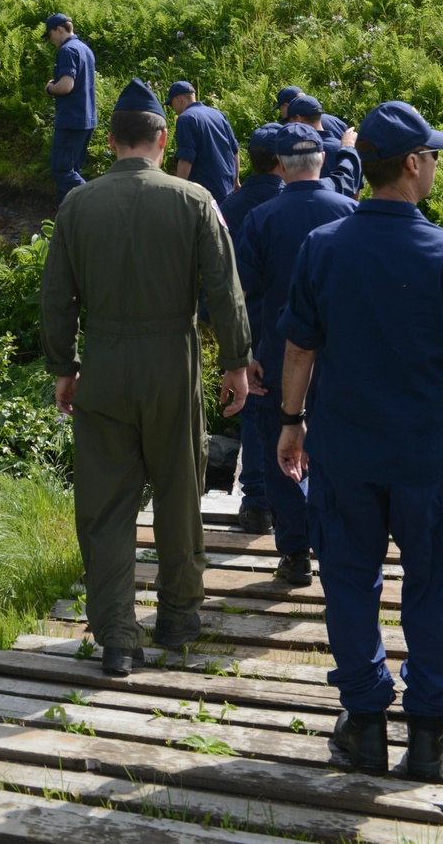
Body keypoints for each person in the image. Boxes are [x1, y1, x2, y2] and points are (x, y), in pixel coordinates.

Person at [277, 100, 443, 780]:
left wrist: (292, 424)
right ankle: (430, 736)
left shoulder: (324, 248)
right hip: (429, 456)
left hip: (344, 454)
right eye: (432, 156)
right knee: (436, 587)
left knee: (349, 583)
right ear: (411, 164)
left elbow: (298, 349)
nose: (434, 164)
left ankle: (366, 725)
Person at [39, 77, 252, 677]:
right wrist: (236, 362)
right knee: (180, 490)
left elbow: (56, 298)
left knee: (105, 505)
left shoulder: (77, 204)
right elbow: (224, 289)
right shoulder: (194, 201)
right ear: (163, 138)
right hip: (172, 360)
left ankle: (115, 638)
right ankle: (180, 617)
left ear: (110, 142)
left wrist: (63, 366)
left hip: (103, 361)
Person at [235, 123, 356, 581]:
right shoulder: (350, 211)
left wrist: (242, 353)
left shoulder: (262, 218)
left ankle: (295, 554)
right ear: (322, 159)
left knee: (280, 452)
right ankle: (339, 544)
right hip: (340, 362)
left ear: (281, 166)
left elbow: (238, 291)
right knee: (337, 455)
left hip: (277, 355)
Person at [219, 122, 285, 536]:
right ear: (282, 161)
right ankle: (299, 500)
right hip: (296, 329)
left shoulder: (229, 204)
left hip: (247, 326)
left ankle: (258, 502)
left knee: (254, 409)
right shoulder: (291, 205)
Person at [44, 13, 97, 203]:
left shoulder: (66, 51)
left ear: (59, 29)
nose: (50, 40)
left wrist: (50, 88)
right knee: (72, 170)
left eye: (50, 34)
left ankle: (97, 205)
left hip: (71, 120)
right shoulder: (85, 49)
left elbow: (66, 86)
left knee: (62, 170)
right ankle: (65, 221)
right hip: (86, 119)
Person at [167, 81, 239, 205]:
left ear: (178, 99)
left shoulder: (185, 119)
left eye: (171, 104)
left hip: (205, 194)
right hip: (227, 189)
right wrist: (236, 180)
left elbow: (186, 159)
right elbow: (235, 150)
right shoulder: (218, 114)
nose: (173, 109)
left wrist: (178, 192)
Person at [286, 94, 362, 195]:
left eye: (290, 122)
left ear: (298, 119)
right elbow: (355, 188)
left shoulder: (296, 149)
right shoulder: (345, 147)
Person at [275, 84, 347, 142]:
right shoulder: (335, 121)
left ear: (286, 106)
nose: (280, 113)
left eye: (280, 108)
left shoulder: (292, 130)